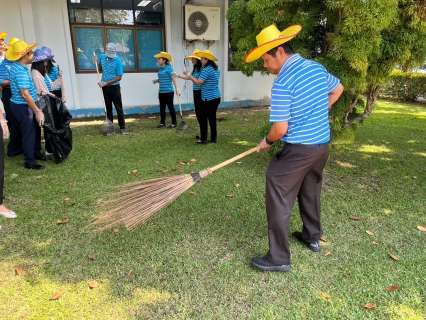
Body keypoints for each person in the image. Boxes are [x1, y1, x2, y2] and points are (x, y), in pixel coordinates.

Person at [244, 24, 344, 272]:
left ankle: (278, 258)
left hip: (299, 149)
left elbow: (280, 129)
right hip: (321, 145)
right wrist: (323, 109)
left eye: (266, 60)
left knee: (277, 188)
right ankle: (311, 237)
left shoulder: (283, 83)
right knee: (310, 190)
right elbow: (338, 89)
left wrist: (267, 142)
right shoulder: (316, 68)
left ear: (279, 51)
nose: (265, 67)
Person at [7, 39, 47, 170]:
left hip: (26, 105)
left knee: (35, 129)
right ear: (24, 56)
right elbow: (25, 94)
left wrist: (39, 91)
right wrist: (37, 111)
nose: (33, 56)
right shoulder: (20, 71)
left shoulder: (19, 67)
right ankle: (30, 162)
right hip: (23, 107)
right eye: (31, 53)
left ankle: (36, 153)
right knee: (29, 133)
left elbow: (27, 89)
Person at [183, 50, 221, 144]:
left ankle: (203, 139)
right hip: (216, 97)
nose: (201, 61)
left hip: (208, 98)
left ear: (207, 60)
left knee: (203, 118)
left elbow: (199, 83)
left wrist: (188, 74)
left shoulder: (206, 70)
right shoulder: (216, 69)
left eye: (202, 60)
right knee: (212, 118)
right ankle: (213, 138)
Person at [31, 49, 63, 157]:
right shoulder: (36, 74)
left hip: (49, 101)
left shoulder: (43, 73)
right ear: (40, 62)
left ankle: (51, 148)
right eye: (45, 60)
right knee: (48, 126)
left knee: (51, 125)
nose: (47, 62)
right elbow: (41, 91)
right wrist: (52, 95)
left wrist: (59, 77)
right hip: (43, 103)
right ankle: (49, 150)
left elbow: (52, 86)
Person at [93, 43, 127, 135]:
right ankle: (111, 128)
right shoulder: (102, 57)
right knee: (108, 109)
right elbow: (100, 70)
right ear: (105, 51)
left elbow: (119, 77)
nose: (111, 57)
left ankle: (122, 127)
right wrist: (96, 62)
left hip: (115, 87)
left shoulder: (118, 60)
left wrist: (107, 82)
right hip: (105, 88)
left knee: (118, 108)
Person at [0, 37, 23, 157]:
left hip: (16, 92)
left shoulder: (15, 63)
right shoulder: (4, 64)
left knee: (19, 120)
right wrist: (15, 80)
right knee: (14, 121)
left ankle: (20, 146)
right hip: (8, 93)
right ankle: (13, 149)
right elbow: (2, 82)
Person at [174, 49, 203, 139]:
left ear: (197, 59)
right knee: (198, 112)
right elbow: (189, 78)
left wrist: (188, 74)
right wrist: (178, 75)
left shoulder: (202, 68)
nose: (192, 60)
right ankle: (202, 133)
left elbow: (197, 80)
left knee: (201, 113)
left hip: (201, 93)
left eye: (193, 58)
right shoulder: (195, 69)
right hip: (196, 92)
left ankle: (203, 134)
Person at [152, 51, 180, 129]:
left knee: (170, 107)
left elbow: (173, 77)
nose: (158, 60)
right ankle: (162, 123)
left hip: (169, 91)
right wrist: (156, 81)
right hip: (161, 92)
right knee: (162, 107)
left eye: (159, 59)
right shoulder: (161, 69)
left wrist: (177, 88)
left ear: (164, 60)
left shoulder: (169, 68)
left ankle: (174, 123)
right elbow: (163, 78)